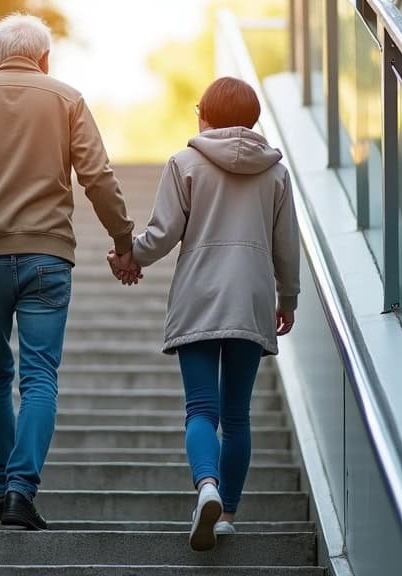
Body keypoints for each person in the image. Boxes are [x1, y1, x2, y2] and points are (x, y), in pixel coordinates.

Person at [0, 13, 134, 530]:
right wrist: (124, 240)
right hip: (47, 258)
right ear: (44, 57)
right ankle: (21, 492)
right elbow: (98, 176)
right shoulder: (67, 99)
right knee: (39, 378)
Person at [110, 77, 300, 551]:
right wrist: (288, 298)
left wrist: (130, 257)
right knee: (236, 417)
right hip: (251, 299)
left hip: (199, 297)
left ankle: (207, 487)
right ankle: (227, 514)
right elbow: (286, 246)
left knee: (200, 408)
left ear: (206, 115)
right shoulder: (275, 174)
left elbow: (163, 233)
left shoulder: (185, 163)